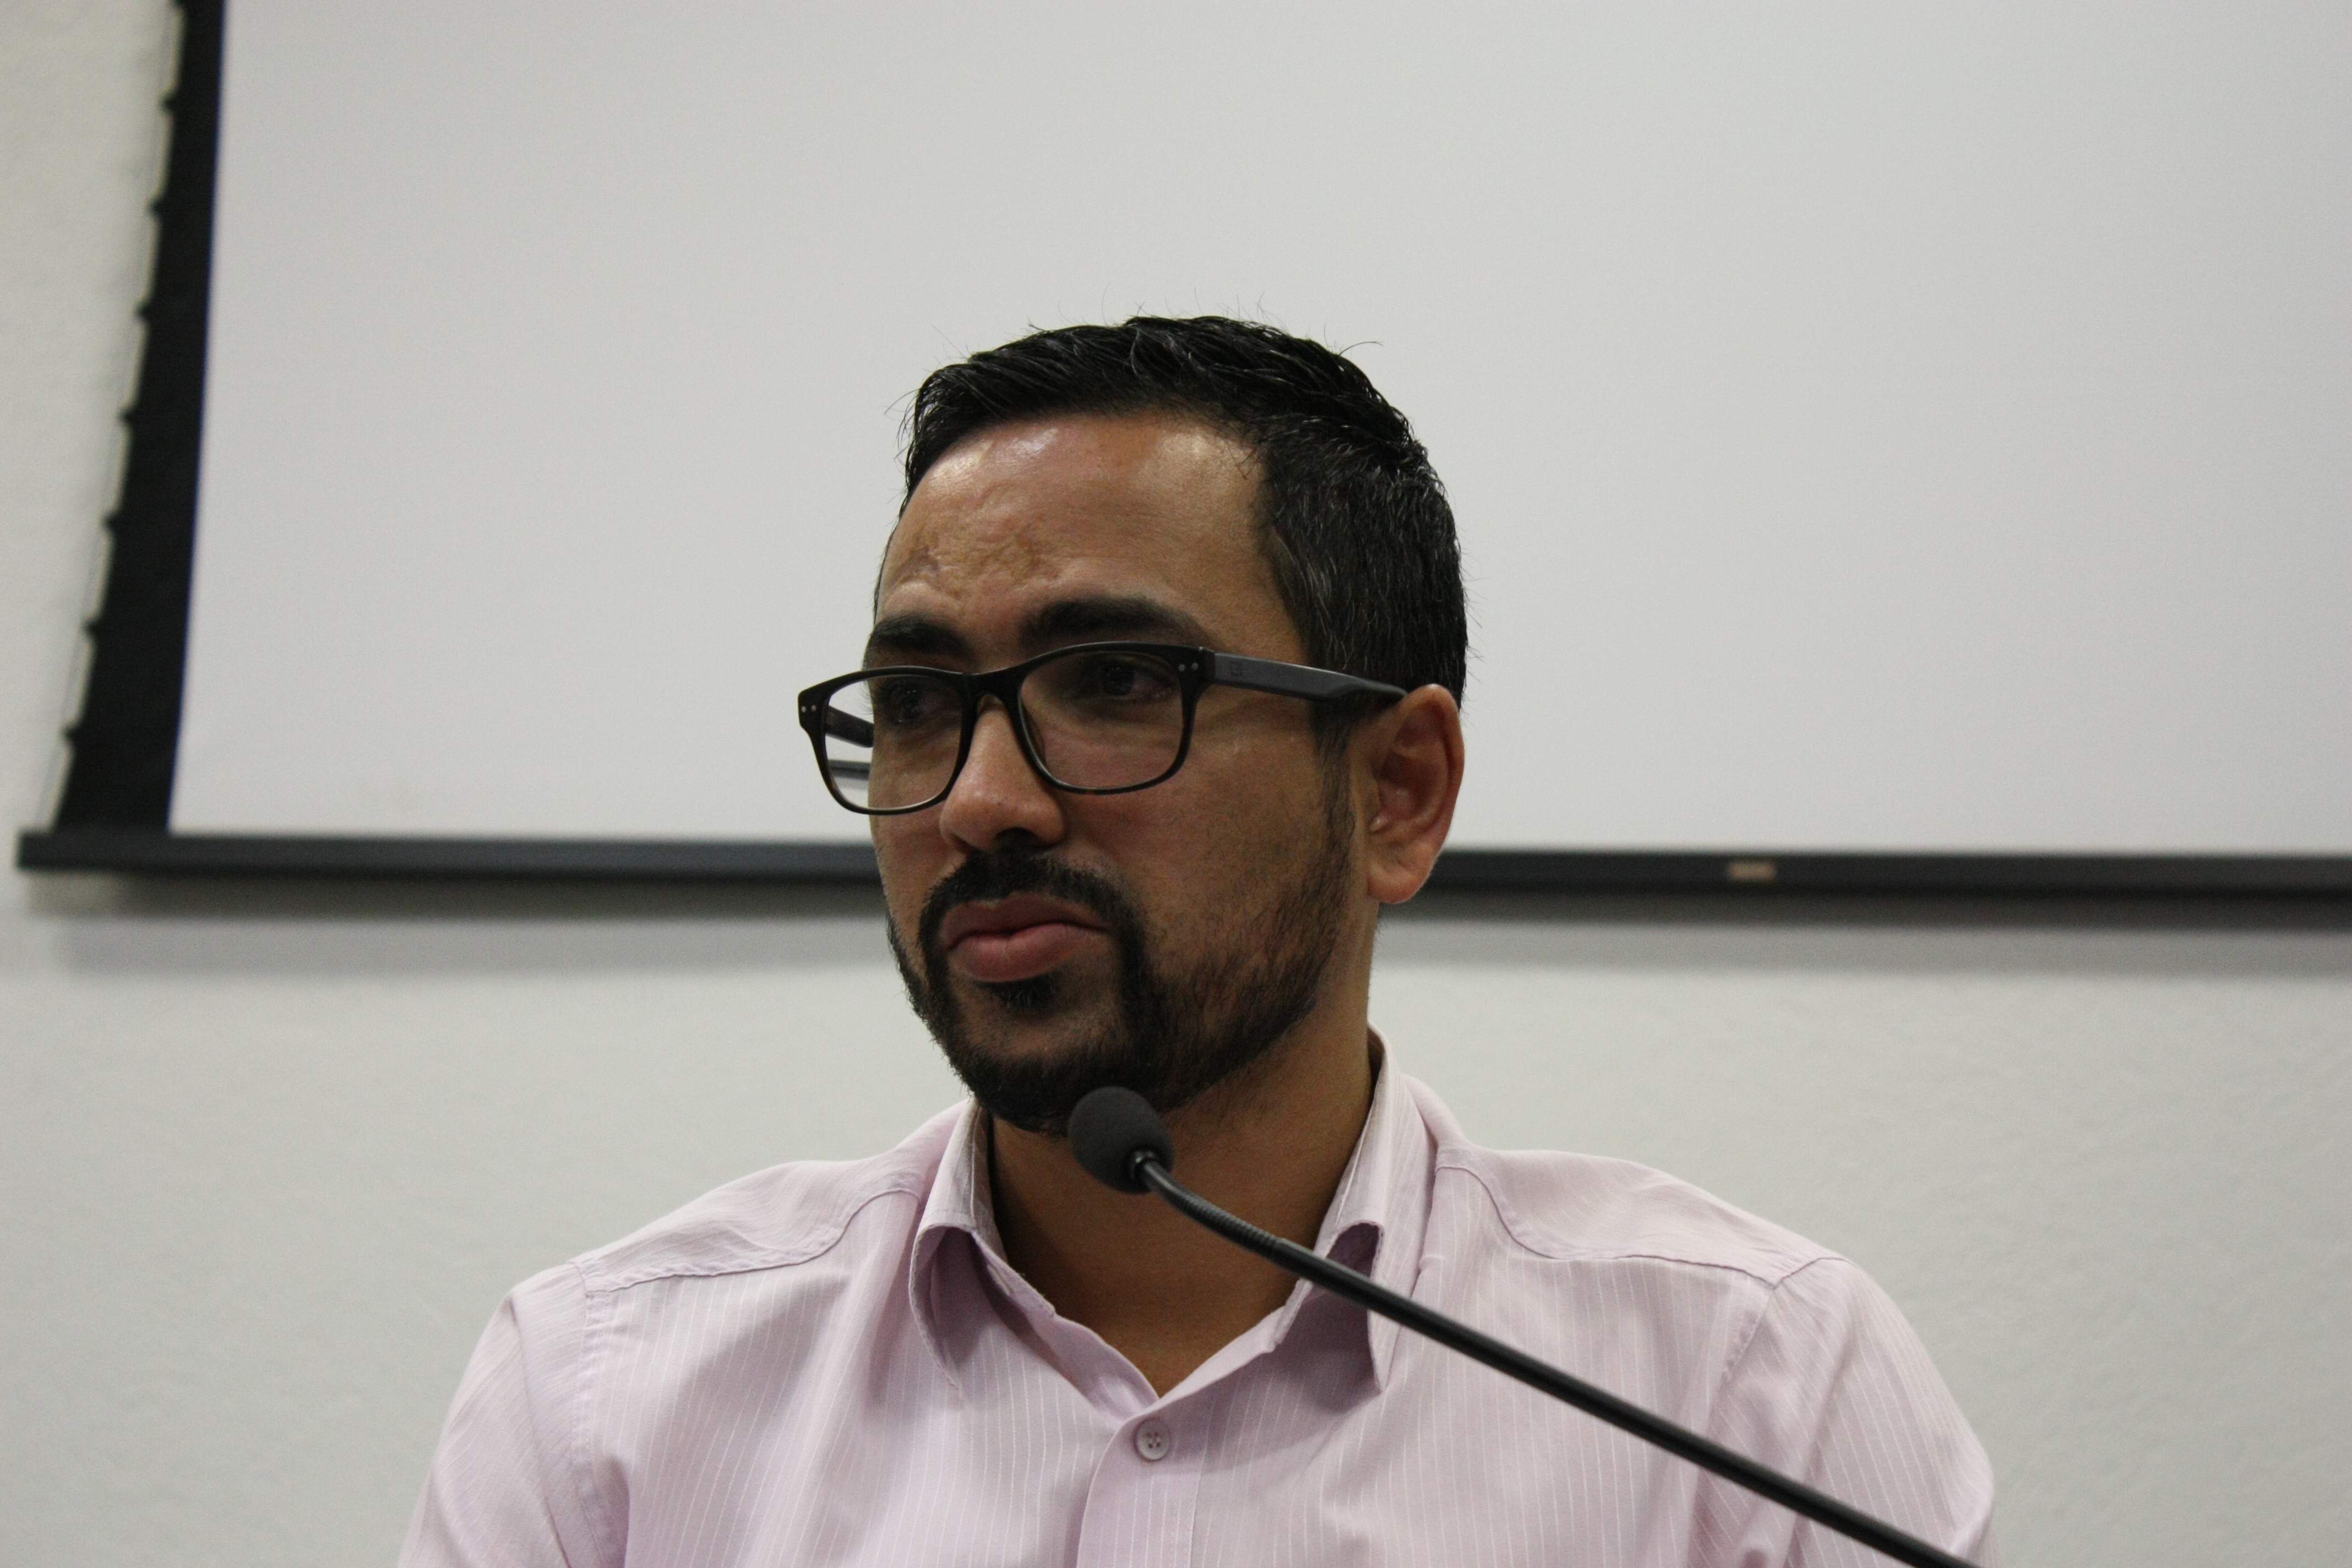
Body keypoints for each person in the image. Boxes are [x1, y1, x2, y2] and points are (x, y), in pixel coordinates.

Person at [401, 317, 1997, 1566]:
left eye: (1116, 685)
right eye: (918, 703)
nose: (985, 802)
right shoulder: (608, 1403)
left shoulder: (1746, 1397)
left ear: (1397, 790)